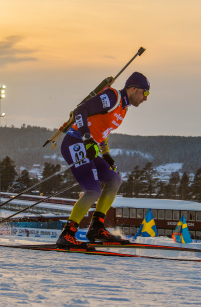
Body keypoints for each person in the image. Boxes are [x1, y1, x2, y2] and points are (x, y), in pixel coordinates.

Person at [56, 72, 150, 247]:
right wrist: (87, 138)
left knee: (114, 180)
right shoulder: (112, 96)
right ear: (133, 88)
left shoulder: (123, 108)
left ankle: (96, 228)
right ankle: (67, 234)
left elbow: (102, 132)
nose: (145, 98)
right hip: (75, 142)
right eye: (145, 93)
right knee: (93, 191)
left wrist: (106, 155)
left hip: (88, 145)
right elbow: (80, 111)